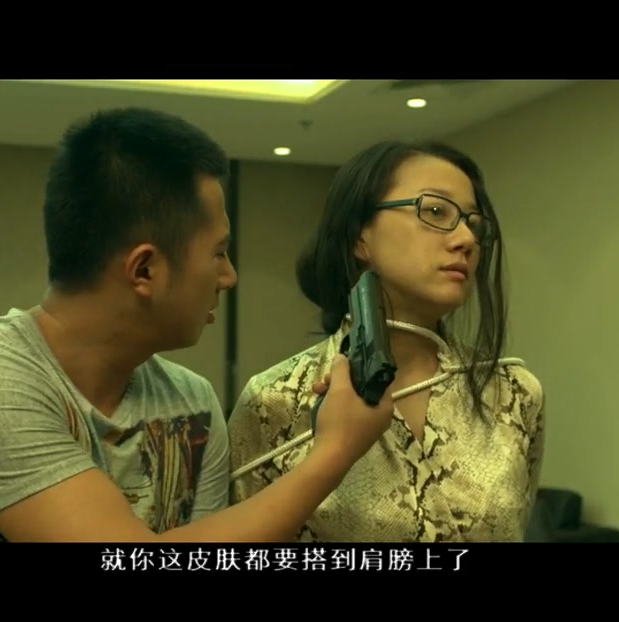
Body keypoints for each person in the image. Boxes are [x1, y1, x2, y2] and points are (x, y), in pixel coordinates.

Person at [0, 107, 394, 543]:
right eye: (218, 253)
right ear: (145, 270)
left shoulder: (191, 402)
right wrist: (334, 451)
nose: (230, 277)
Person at [228, 140, 546, 542]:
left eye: (474, 223)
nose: (466, 238)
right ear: (360, 237)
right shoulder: (275, 400)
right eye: (436, 211)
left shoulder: (514, 393)